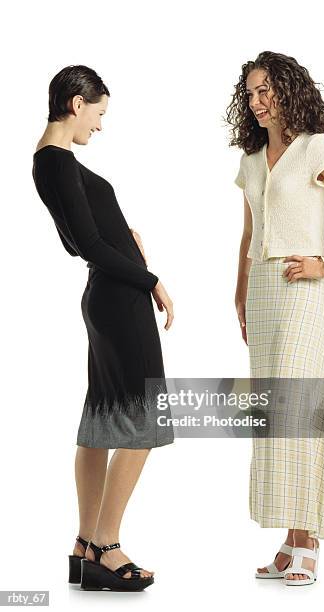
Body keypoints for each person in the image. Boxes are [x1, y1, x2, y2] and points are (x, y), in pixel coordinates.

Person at [226, 51, 324, 586]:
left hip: (302, 291)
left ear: (288, 90)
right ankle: (290, 541)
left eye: (265, 90)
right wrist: (240, 293)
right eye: (250, 93)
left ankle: (309, 538)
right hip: (263, 291)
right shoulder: (249, 159)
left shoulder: (315, 147)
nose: (257, 101)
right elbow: (249, 233)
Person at [32, 65, 174, 591]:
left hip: (105, 296)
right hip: (120, 300)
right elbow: (88, 247)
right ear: (76, 103)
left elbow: (77, 241)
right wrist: (151, 277)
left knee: (100, 422)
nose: (100, 124)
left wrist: (121, 233)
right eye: (99, 112)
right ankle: (107, 546)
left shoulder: (49, 163)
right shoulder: (60, 163)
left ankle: (84, 546)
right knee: (142, 424)